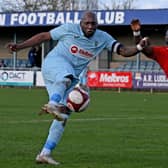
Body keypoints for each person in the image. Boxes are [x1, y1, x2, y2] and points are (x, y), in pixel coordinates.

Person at [6, 11, 146, 165]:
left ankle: (45, 153)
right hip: (54, 63)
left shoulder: (103, 37)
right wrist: (19, 46)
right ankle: (52, 104)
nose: (90, 26)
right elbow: (43, 37)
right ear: (81, 23)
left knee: (64, 115)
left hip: (69, 77)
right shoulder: (69, 29)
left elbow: (124, 51)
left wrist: (139, 45)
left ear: (97, 24)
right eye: (87, 23)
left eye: (93, 23)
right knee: (66, 78)